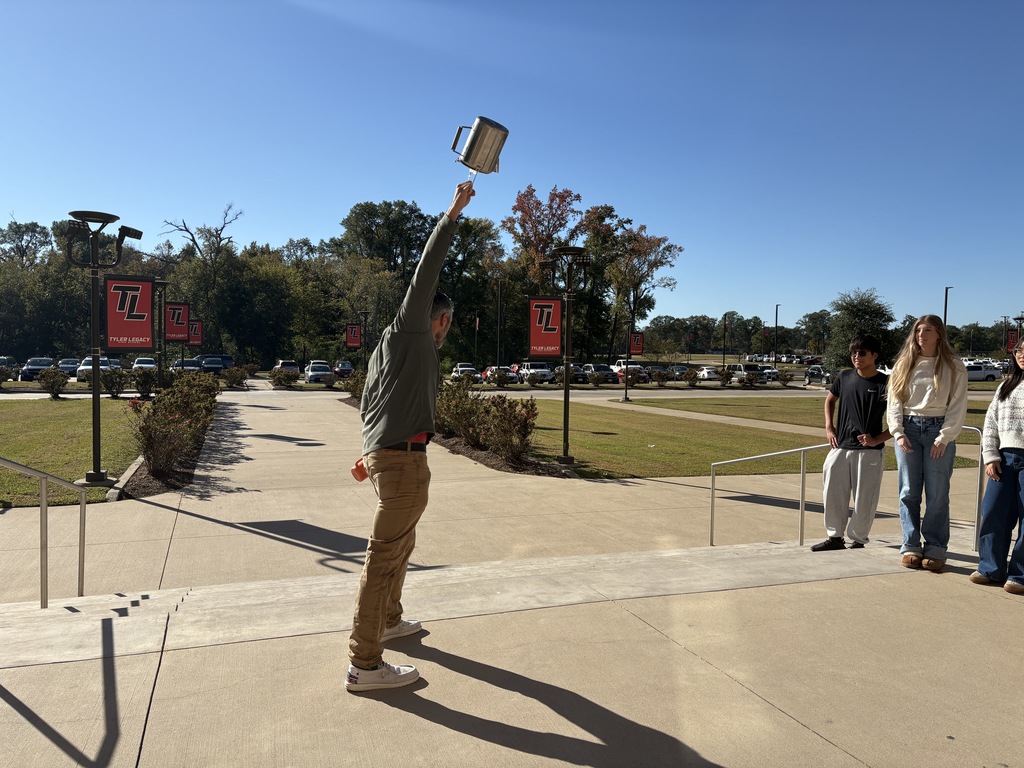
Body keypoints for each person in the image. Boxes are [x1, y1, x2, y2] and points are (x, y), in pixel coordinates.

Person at [345, 180, 475, 692]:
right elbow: (427, 274)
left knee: (401, 546)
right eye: (446, 323)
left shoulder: (385, 352)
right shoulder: (412, 329)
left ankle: (392, 621)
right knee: (383, 558)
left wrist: (367, 454)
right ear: (438, 318)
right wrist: (453, 214)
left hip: (391, 457)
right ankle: (365, 663)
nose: (444, 332)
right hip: (402, 462)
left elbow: (368, 404)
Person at [887, 315, 968, 572]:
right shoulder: (904, 364)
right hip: (909, 429)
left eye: (928, 330)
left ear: (939, 334)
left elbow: (957, 406)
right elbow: (894, 402)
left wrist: (944, 437)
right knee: (908, 491)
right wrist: (898, 432)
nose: (921, 334)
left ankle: (935, 548)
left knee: (937, 494)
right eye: (918, 330)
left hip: (938, 429)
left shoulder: (954, 366)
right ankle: (910, 544)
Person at [811, 334, 891, 551]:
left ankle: (858, 539)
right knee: (832, 493)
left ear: (874, 355)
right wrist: (829, 427)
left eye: (862, 353)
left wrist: (877, 439)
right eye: (853, 353)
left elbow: (899, 420)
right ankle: (834, 537)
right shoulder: (844, 377)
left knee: (865, 498)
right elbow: (830, 400)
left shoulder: (885, 383)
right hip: (840, 446)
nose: (857, 356)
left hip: (870, 451)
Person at [971, 338, 1024, 594]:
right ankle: (990, 568)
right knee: (993, 512)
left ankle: (1020, 575)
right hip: (1005, 458)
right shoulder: (1006, 385)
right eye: (1020, 350)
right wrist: (990, 455)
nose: (1022, 355)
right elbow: (991, 422)